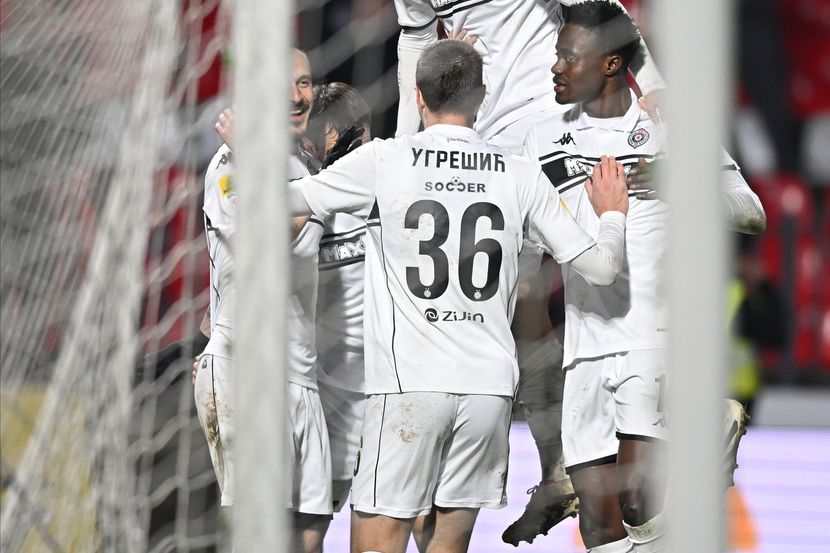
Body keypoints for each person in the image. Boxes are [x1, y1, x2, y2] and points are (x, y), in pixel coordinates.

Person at [287, 39, 630, 553]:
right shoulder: (520, 174)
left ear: (418, 97)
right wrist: (612, 215)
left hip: (408, 387)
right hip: (487, 392)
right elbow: (601, 269)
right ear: (482, 98)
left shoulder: (385, 161)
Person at [392, 1, 666, 543]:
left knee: (548, 286)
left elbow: (598, 7)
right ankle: (556, 467)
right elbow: (415, 38)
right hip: (478, 132)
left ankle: (653, 425)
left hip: (553, 123)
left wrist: (652, 82)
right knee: (510, 302)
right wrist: (408, 146)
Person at [521, 3, 767, 551]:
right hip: (584, 346)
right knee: (600, 528)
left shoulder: (671, 131)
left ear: (611, 64)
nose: (556, 67)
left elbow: (752, 213)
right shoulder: (539, 137)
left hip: (651, 338)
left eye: (568, 56)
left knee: (637, 502)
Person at [198, 48, 333, 553]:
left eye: (305, 83)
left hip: (302, 374)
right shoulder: (230, 163)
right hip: (250, 370)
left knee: (310, 534)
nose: (298, 97)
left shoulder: (304, 163)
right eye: (284, 84)